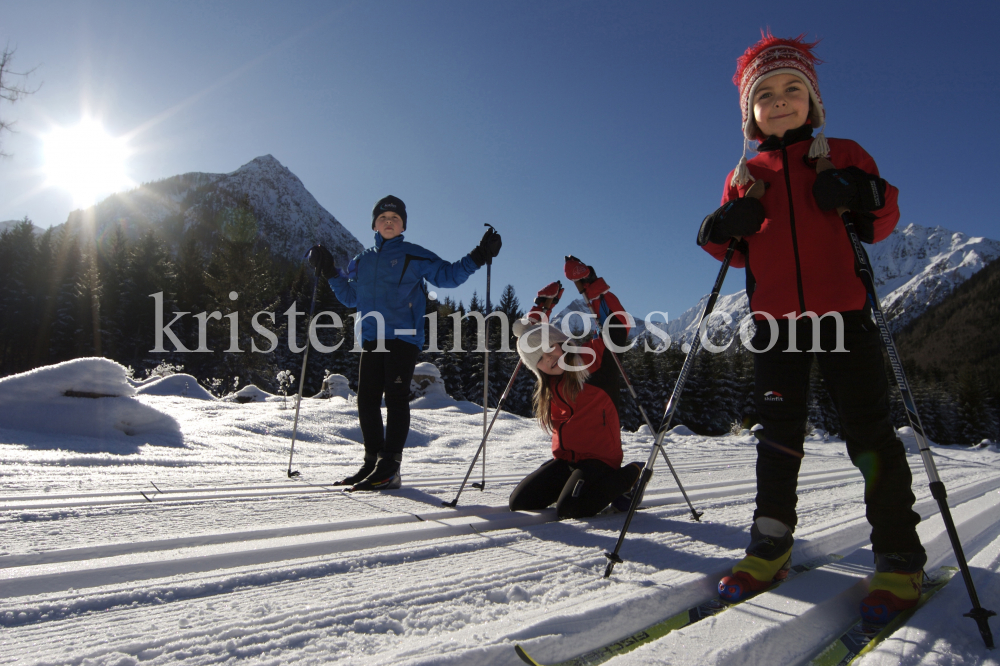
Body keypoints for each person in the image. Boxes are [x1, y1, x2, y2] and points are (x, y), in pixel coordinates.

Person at [697, 33, 925, 623]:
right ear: (749, 111)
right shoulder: (746, 173)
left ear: (813, 99)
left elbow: (882, 218)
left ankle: (898, 554)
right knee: (777, 438)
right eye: (764, 94)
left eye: (792, 89)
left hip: (844, 315)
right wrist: (723, 221)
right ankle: (770, 544)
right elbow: (730, 251)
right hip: (775, 325)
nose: (778, 101)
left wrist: (861, 192)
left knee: (869, 434)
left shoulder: (843, 153)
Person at [307, 195, 501, 491]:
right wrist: (331, 271)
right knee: (366, 400)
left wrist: (478, 255)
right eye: (383, 217)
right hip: (371, 339)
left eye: (395, 219)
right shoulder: (362, 260)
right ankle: (372, 463)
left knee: (395, 398)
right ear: (374, 223)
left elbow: (448, 277)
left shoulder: (413, 255)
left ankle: (390, 467)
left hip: (402, 338)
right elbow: (350, 298)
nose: (388, 222)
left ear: (403, 226)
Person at [508, 261, 641, 518]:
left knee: (571, 508)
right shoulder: (549, 382)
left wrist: (592, 285)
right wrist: (540, 308)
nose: (549, 359)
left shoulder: (591, 361)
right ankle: (581, 486)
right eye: (540, 361)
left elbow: (618, 328)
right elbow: (527, 335)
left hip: (600, 460)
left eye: (551, 348)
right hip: (567, 461)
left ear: (561, 342)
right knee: (520, 502)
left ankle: (632, 476)